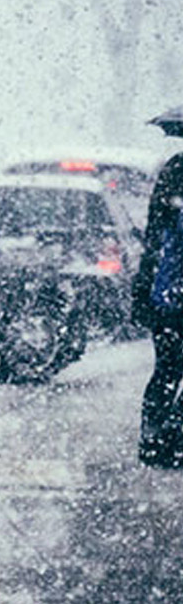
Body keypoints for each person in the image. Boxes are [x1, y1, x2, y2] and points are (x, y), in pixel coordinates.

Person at [133, 111, 183, 468]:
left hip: (168, 292)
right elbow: (157, 238)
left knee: (166, 367)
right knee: (168, 366)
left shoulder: (172, 172)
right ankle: (166, 437)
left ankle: (157, 438)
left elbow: (154, 239)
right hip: (171, 291)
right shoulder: (174, 173)